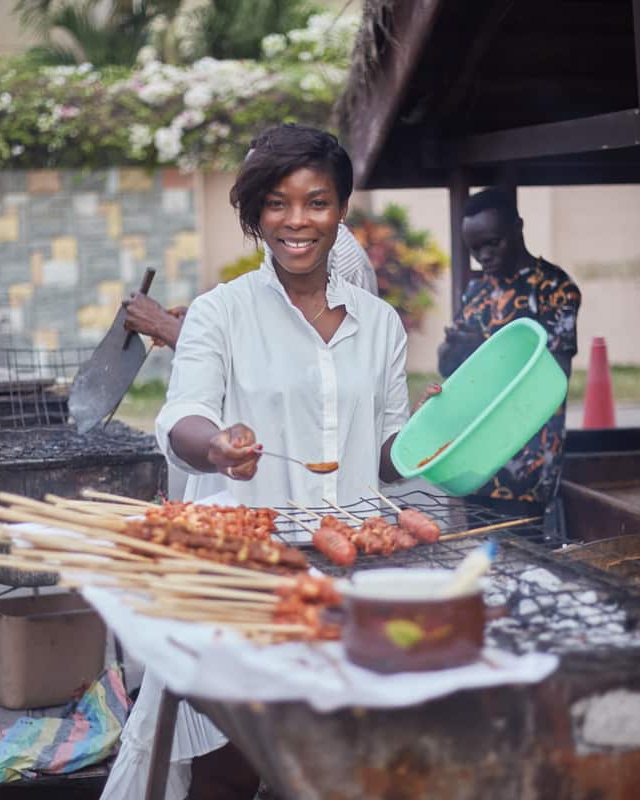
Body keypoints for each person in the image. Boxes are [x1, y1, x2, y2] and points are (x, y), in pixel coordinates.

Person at [100, 124, 412, 800]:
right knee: (247, 758)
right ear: (254, 215)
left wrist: (436, 440)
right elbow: (180, 418)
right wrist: (214, 445)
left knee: (348, 756)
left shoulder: (381, 324)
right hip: (250, 574)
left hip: (356, 572)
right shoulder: (220, 313)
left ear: (341, 211)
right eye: (277, 203)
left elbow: (389, 454)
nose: (298, 221)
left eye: (317, 202)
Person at [437, 187, 581, 519]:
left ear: (517, 228)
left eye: (493, 242)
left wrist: (479, 349)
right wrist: (453, 350)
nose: (484, 256)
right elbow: (450, 370)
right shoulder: (477, 289)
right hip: (474, 454)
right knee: (481, 557)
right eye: (475, 249)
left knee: (525, 558)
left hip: (525, 458)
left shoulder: (554, 289)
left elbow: (553, 377)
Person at [122, 217, 379, 350]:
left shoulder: (333, 261)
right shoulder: (292, 250)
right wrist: (200, 326)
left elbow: (279, 370)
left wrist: (163, 325)